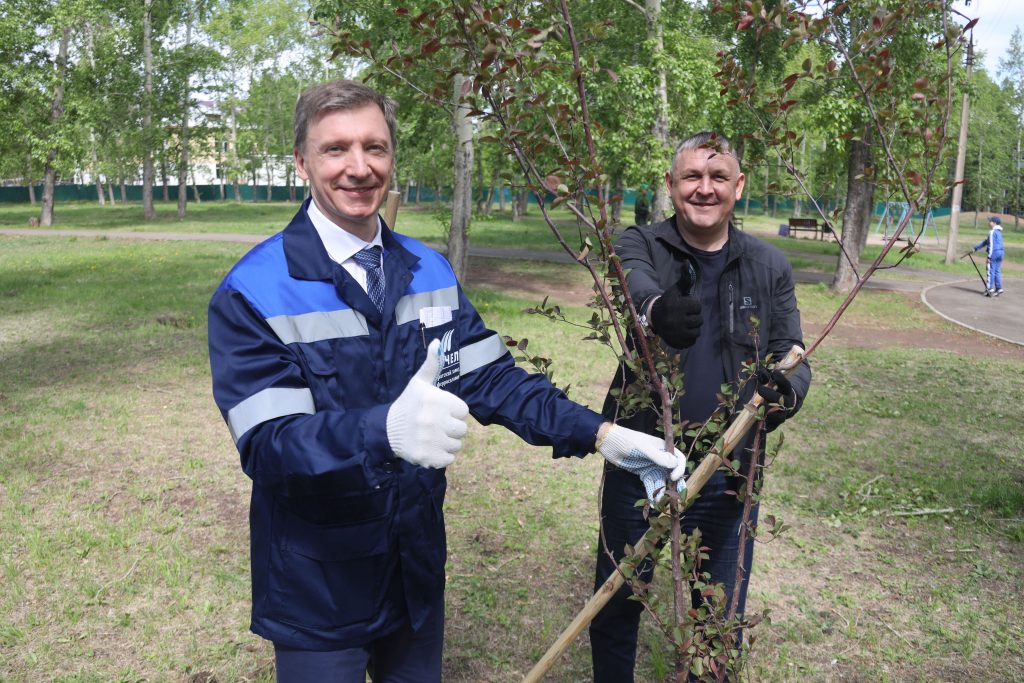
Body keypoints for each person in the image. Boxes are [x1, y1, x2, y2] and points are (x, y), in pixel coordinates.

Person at [206, 79, 687, 683]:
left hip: (414, 572)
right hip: (318, 584)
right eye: (336, 150)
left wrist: (602, 434)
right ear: (301, 161)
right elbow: (270, 445)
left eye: (375, 148)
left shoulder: (427, 270)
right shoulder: (254, 290)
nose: (359, 167)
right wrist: (381, 432)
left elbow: (493, 380)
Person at [589, 131, 812, 682]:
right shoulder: (641, 243)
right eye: (691, 177)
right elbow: (632, 280)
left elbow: (794, 354)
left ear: (739, 187)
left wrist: (789, 390)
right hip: (639, 458)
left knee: (717, 618)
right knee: (618, 602)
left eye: (718, 178)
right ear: (670, 185)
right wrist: (657, 308)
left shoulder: (768, 265)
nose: (704, 189)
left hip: (729, 470)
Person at [973, 216, 1004, 297]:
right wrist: (976, 248)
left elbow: (992, 245)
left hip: (994, 253)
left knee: (990, 270)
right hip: (1001, 253)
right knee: (997, 270)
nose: (988, 222)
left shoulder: (992, 232)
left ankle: (989, 289)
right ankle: (998, 288)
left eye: (990, 221)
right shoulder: (998, 232)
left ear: (994, 223)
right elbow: (986, 241)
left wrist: (989, 257)